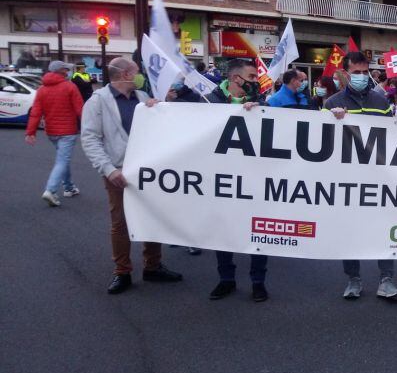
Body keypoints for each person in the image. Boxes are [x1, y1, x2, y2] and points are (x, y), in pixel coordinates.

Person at [81, 57, 183, 294]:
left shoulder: (141, 98)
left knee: (153, 217)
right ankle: (122, 271)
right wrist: (109, 170)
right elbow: (90, 139)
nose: (141, 76)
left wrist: (159, 109)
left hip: (148, 170)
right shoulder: (98, 102)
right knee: (121, 223)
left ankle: (153, 265)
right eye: (137, 72)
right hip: (118, 170)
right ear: (126, 74)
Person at [324, 52, 397, 300]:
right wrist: (333, 121)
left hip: (379, 177)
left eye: (364, 71)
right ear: (345, 73)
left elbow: (393, 137)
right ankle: (353, 280)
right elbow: (321, 142)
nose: (360, 76)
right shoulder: (331, 103)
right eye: (355, 72)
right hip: (347, 178)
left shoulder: (381, 101)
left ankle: (386, 280)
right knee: (350, 230)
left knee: (384, 228)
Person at [200, 59, 271, 301]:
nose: (256, 82)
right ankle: (226, 279)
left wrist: (259, 114)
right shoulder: (209, 101)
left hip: (255, 177)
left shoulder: (262, 103)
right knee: (223, 230)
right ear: (235, 79)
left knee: (259, 230)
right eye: (252, 77)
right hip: (223, 178)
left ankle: (258, 281)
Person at [25, 60, 84, 206]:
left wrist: (30, 132)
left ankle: (69, 187)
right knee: (62, 160)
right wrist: (91, 127)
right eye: (65, 68)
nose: (67, 70)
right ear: (61, 71)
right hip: (68, 130)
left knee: (63, 159)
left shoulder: (41, 89)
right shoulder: (70, 87)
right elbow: (80, 110)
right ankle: (50, 190)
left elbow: (36, 113)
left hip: (52, 131)